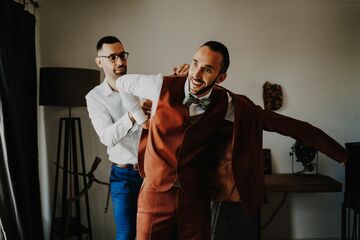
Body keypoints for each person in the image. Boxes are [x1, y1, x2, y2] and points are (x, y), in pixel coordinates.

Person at [116, 41, 348, 240]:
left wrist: (342, 155)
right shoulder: (159, 85)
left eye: (207, 69)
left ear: (221, 76)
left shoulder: (227, 103)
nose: (196, 74)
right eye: (195, 63)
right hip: (155, 192)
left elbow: (289, 125)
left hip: (195, 196)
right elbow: (122, 84)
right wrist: (140, 118)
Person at [85, 36, 188, 240]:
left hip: (153, 171)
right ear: (99, 62)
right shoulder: (94, 98)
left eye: (122, 55)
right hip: (123, 176)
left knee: (160, 231)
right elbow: (107, 137)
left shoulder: (141, 87)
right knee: (126, 234)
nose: (120, 62)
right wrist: (134, 114)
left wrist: (177, 80)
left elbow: (167, 99)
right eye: (112, 57)